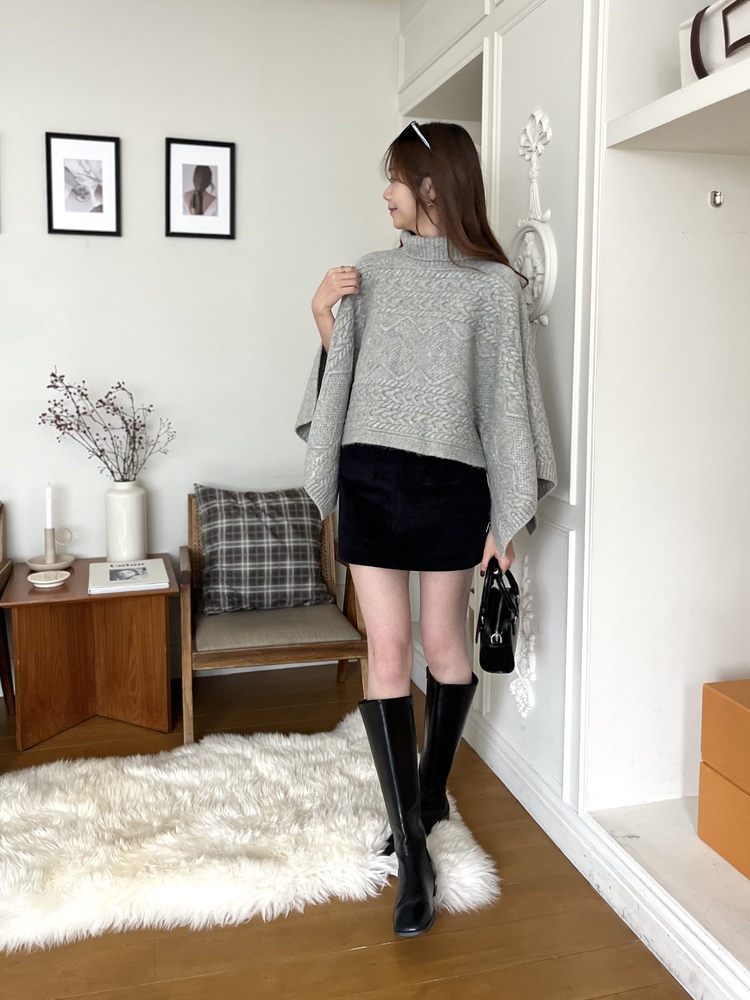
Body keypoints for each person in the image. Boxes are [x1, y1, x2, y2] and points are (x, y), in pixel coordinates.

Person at [296, 121, 556, 939]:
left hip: (450, 488)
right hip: (373, 482)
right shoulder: (369, 274)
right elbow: (353, 376)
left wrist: (504, 519)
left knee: (444, 648)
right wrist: (323, 316)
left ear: (434, 185)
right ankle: (412, 847)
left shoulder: (493, 289)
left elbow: (504, 407)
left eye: (396, 179)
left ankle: (429, 792)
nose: (386, 194)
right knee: (388, 651)